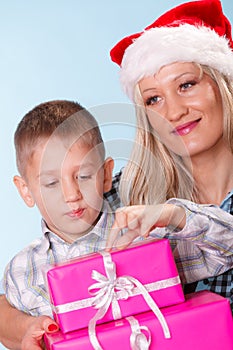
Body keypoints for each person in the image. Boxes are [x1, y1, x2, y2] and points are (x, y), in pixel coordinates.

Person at [108, 0, 233, 307]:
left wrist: (179, 217)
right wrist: (23, 325)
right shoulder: (121, 195)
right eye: (153, 100)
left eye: (186, 85)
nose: (174, 112)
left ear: (223, 85)